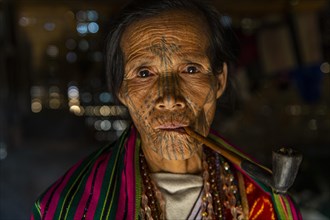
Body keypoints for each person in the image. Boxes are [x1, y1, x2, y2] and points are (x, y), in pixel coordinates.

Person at [31, 0, 302, 219]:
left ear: (219, 81)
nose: (170, 99)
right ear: (121, 91)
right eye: (144, 72)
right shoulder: (69, 207)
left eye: (191, 69)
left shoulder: (264, 203)